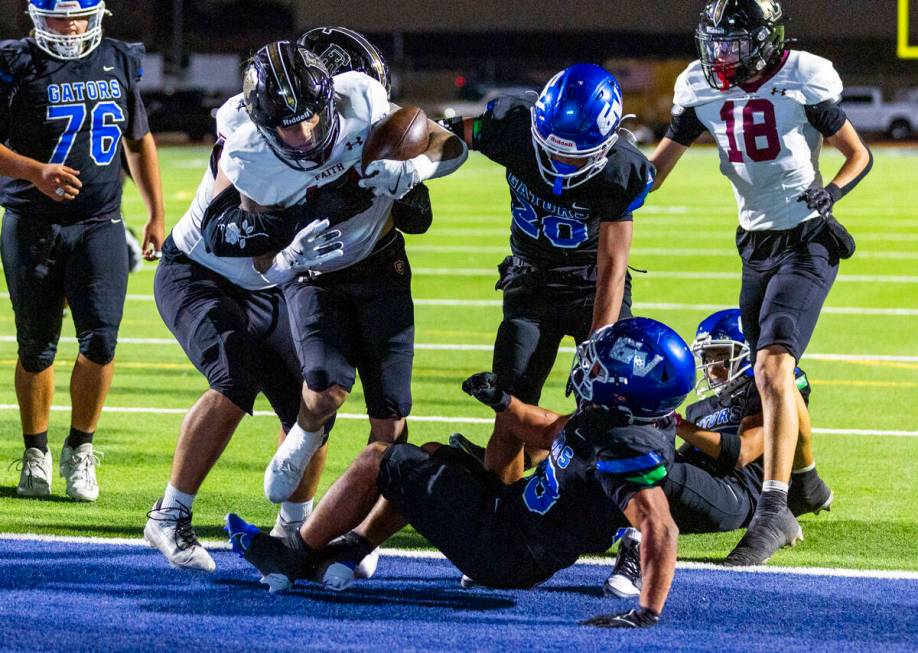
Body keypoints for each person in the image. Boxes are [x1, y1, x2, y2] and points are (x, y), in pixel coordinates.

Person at [144, 39, 462, 572]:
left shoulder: (357, 105)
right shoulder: (246, 142)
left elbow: (437, 157)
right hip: (205, 272)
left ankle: (296, 527)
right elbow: (228, 234)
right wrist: (297, 232)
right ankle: (170, 513)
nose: (310, 132)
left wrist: (411, 176)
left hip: (273, 282)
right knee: (235, 378)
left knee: (313, 401)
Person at [225, 317, 694, 629]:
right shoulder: (626, 421)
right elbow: (551, 429)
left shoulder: (623, 445)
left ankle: (293, 552)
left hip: (508, 547)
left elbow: (660, 526)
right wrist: (504, 403)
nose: (589, 365)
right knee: (431, 457)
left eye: (602, 363)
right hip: (520, 529)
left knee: (383, 458)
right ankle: (352, 548)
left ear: (627, 384)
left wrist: (646, 612)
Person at [649, 0, 871, 565]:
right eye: (716, 41)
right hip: (754, 243)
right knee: (767, 374)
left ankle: (772, 511)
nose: (722, 53)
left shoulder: (802, 75)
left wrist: (834, 191)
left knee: (774, 365)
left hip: (807, 237)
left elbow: (858, 154)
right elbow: (655, 172)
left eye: (735, 41)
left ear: (766, 40)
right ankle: (806, 484)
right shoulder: (699, 85)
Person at [438, 63, 654, 483]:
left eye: (573, 154)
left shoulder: (620, 169)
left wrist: (598, 343)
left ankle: (620, 511)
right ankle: (499, 512)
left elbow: (612, 266)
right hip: (530, 284)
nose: (558, 160)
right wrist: (405, 166)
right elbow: (440, 135)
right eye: (552, 148)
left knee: (616, 404)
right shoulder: (510, 126)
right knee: (509, 408)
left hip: (590, 285)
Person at [0, 0, 164, 501]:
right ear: (35, 18)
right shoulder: (14, 63)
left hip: (100, 224)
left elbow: (137, 140)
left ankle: (81, 448)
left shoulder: (116, 57)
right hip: (32, 223)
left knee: (101, 341)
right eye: (57, 17)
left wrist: (156, 212)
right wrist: (35, 172)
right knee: (37, 347)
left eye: (77, 15)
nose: (69, 26)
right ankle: (35, 451)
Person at [604, 309, 832, 597]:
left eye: (720, 355)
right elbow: (681, 461)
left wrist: (676, 423)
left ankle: (635, 559)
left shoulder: (765, 392)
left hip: (737, 492)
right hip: (705, 488)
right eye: (707, 358)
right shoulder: (700, 409)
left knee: (648, 471)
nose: (711, 367)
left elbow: (743, 452)